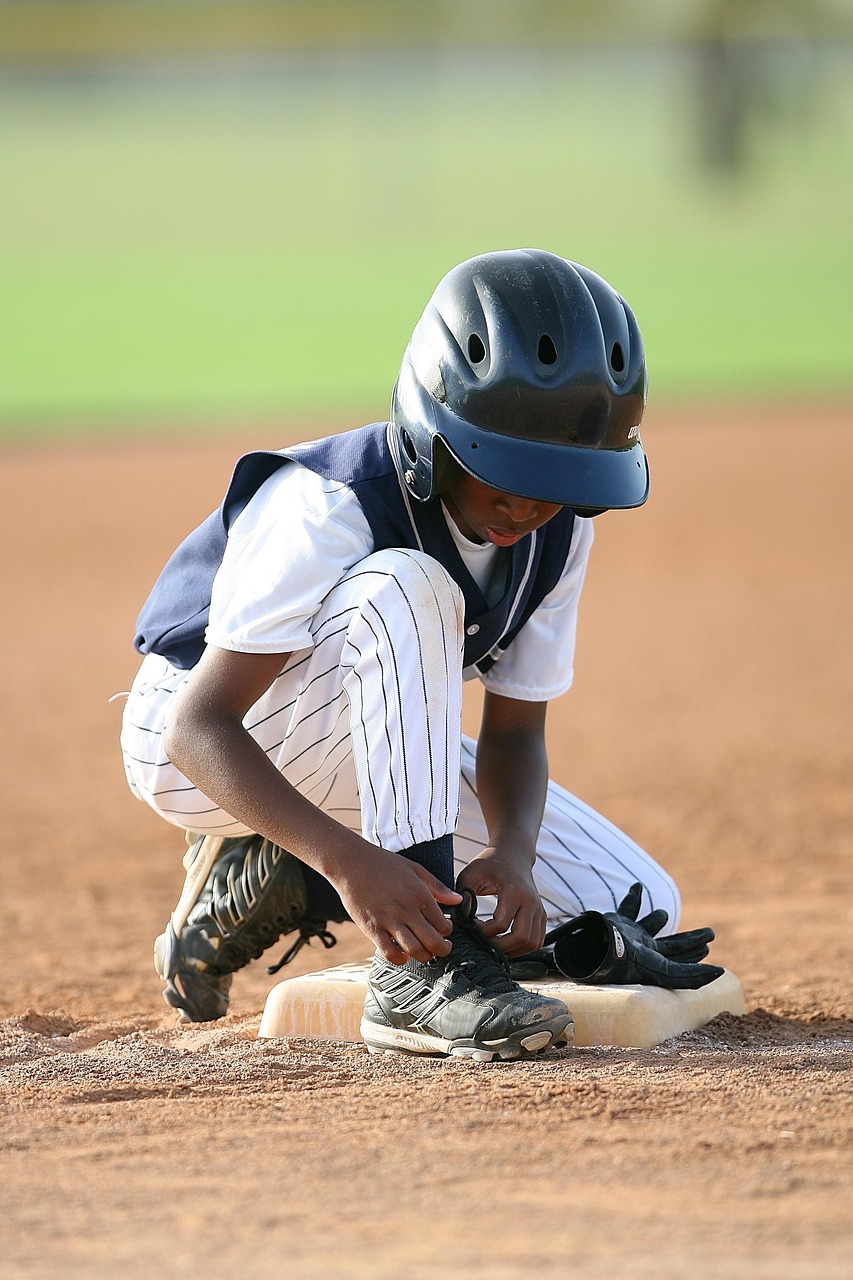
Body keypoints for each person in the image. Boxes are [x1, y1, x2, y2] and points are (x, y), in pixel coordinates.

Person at [120, 248, 711, 1062]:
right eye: (501, 473)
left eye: (554, 480)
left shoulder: (558, 533)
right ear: (434, 428)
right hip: (198, 739)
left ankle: (274, 876)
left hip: (349, 744)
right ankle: (419, 977)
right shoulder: (330, 504)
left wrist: (510, 859)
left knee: (635, 910)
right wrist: (351, 862)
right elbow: (197, 726)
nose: (525, 505)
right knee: (410, 584)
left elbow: (512, 735)